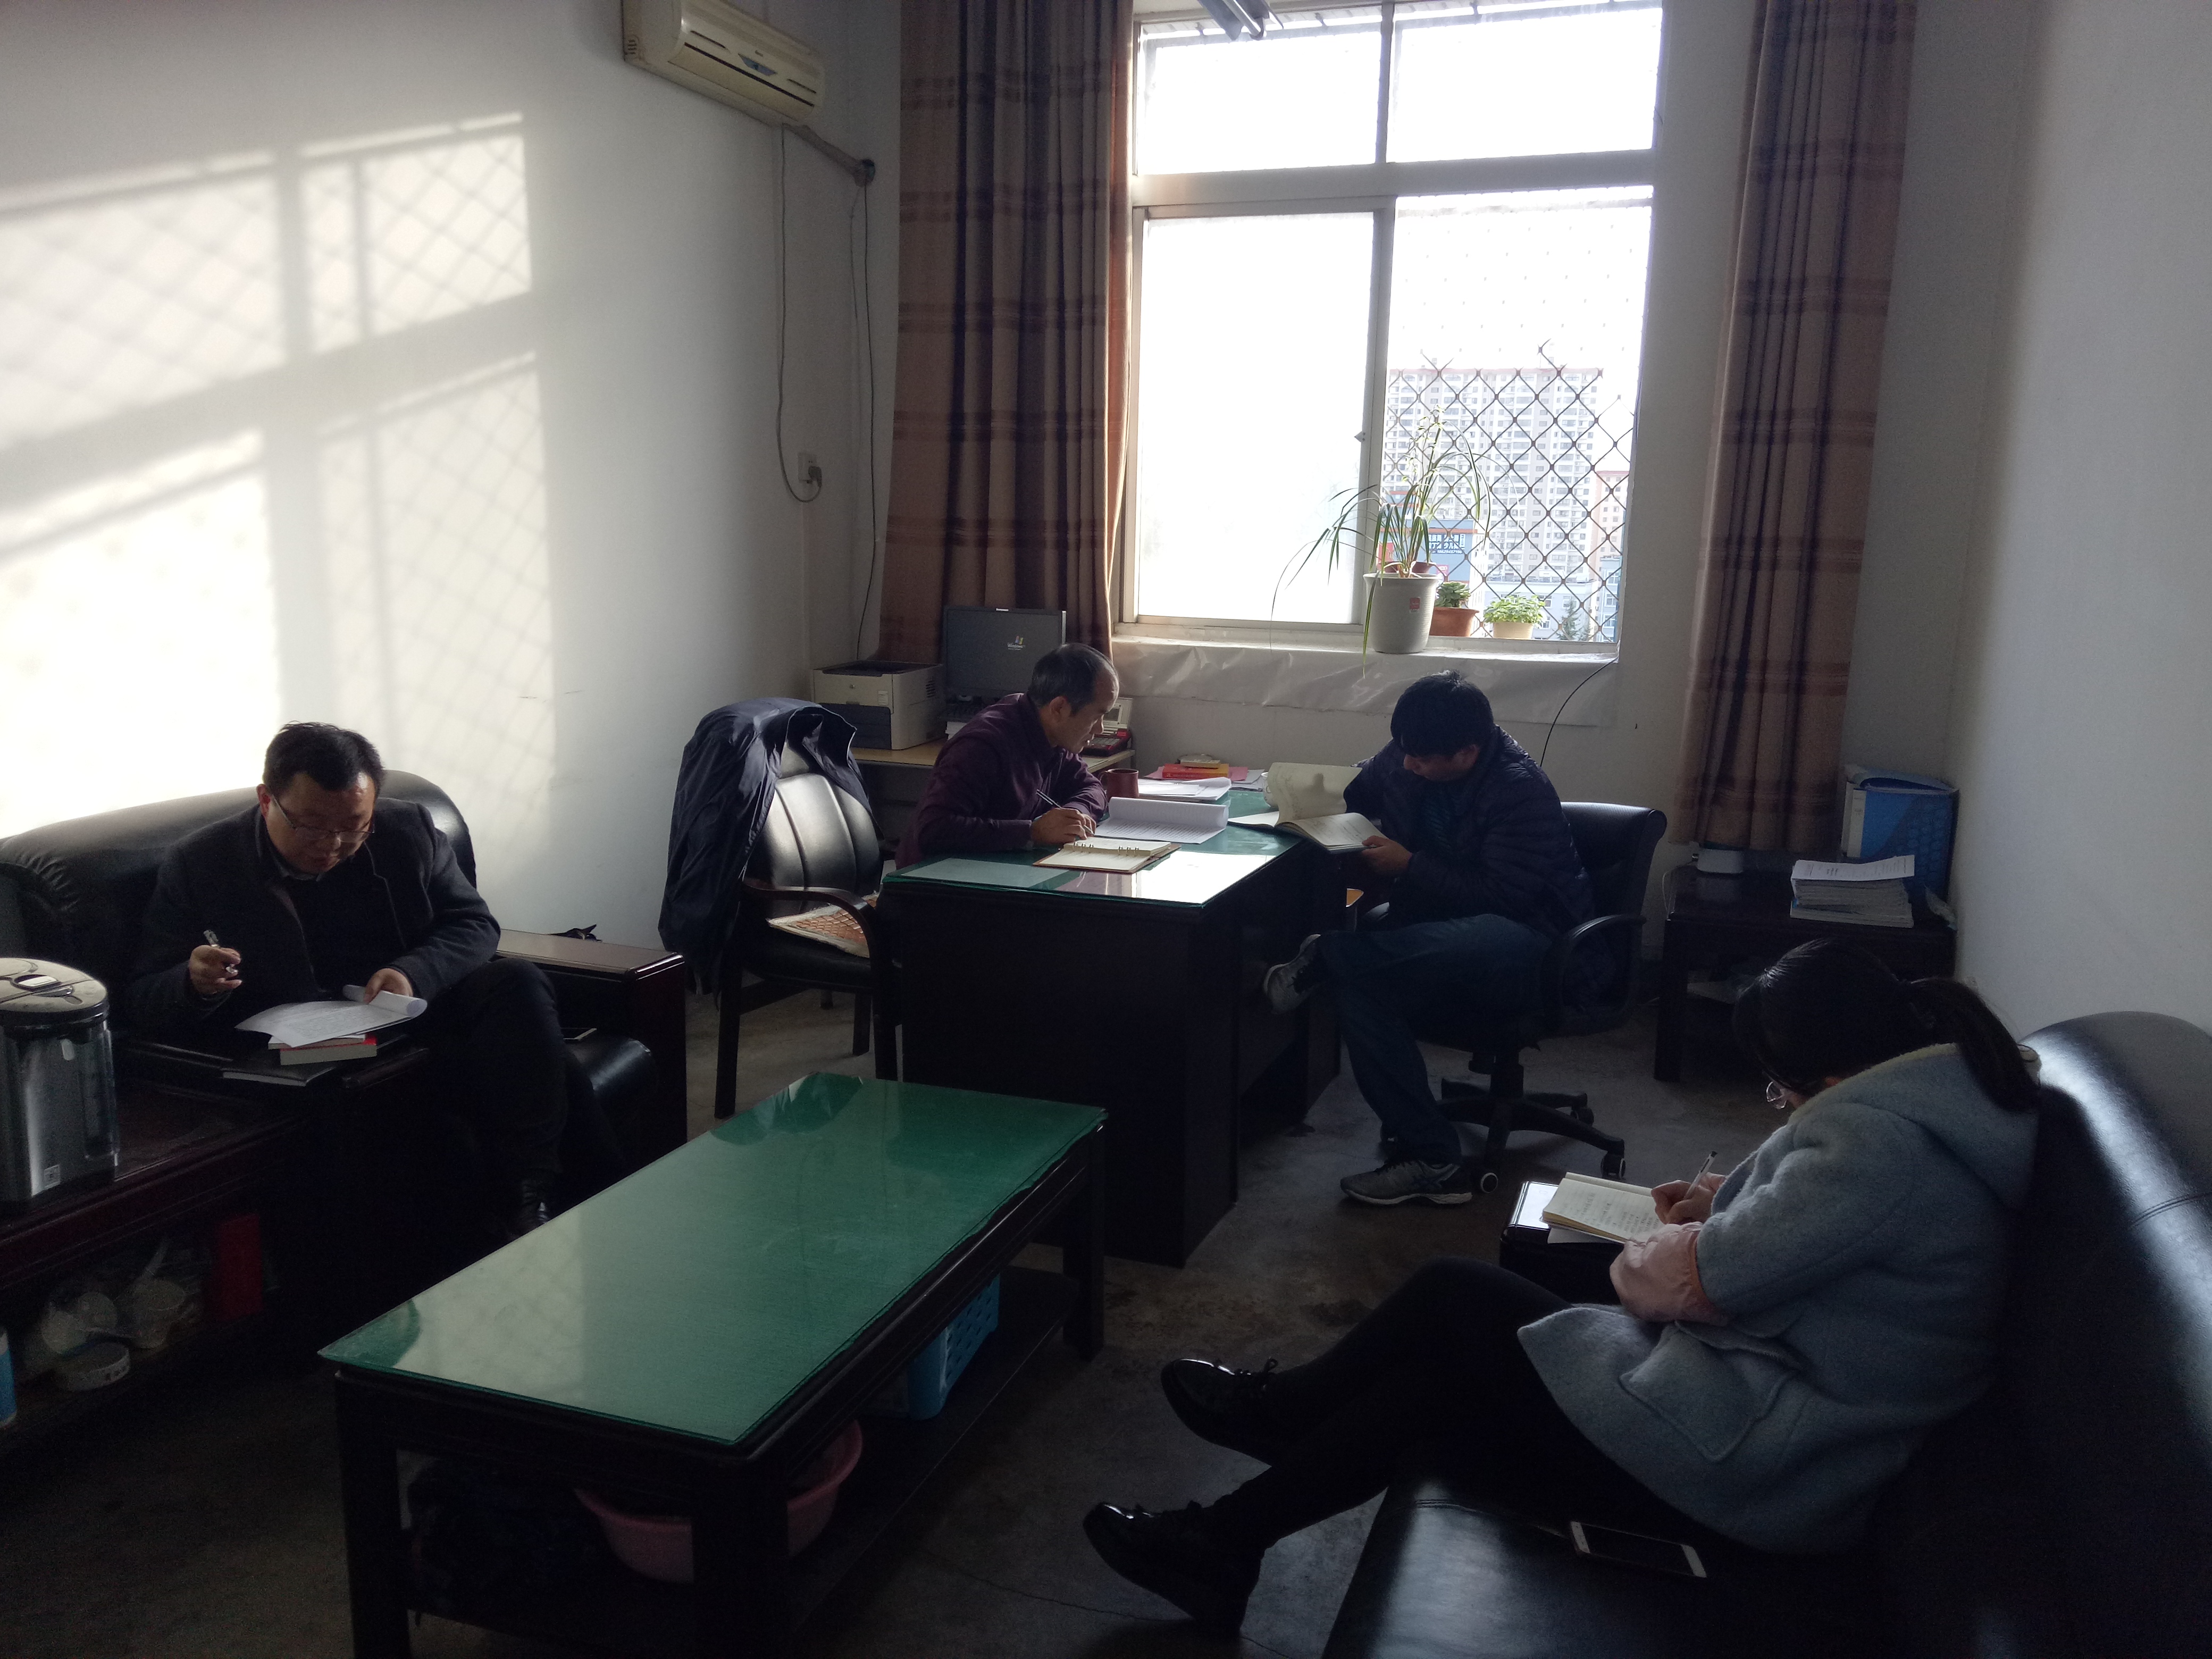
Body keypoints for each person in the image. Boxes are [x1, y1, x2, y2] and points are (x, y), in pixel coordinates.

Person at [1082, 940, 2043, 1637]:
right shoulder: (1936, 1104)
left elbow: (1682, 1284)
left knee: (1458, 1294)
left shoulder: (1878, 1148)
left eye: (1781, 1091)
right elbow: (1815, 1232)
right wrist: (1723, 1203)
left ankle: (1275, 1425)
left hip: (1767, 1465)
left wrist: (1671, 1238)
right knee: (1438, 1390)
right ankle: (1224, 1540)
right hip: (1771, 1415)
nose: (1782, 1108)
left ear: (1831, 1072)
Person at [122, 723, 613, 1237]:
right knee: (546, 1067)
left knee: (517, 981)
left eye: (354, 827)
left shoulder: (407, 829)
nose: (331, 846)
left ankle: (528, 1193)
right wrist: (195, 983)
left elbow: (474, 923)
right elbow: (143, 997)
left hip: (412, 1019)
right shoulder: (202, 863)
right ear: (267, 800)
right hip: (308, 1057)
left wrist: (413, 972)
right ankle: (553, 1202)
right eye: (311, 827)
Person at [1261, 671, 1594, 1206]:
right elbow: (1359, 788)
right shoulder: (1410, 750)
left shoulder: (1518, 790)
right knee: (1359, 987)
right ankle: (1431, 1155)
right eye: (1404, 752)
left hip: (1532, 944)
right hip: (1433, 934)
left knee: (1477, 935)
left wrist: (1410, 865)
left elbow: (1505, 897)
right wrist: (1300, 799)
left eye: (1421, 760)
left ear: (1467, 753)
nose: (1407, 765)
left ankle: (1329, 953)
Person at [894, 642, 1117, 867]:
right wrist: (1032, 832)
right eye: (1096, 717)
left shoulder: (1053, 734)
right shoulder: (982, 747)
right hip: (935, 880)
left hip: (998, 870)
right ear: (1059, 708)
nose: (1100, 729)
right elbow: (933, 830)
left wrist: (1074, 815)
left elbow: (1092, 788)